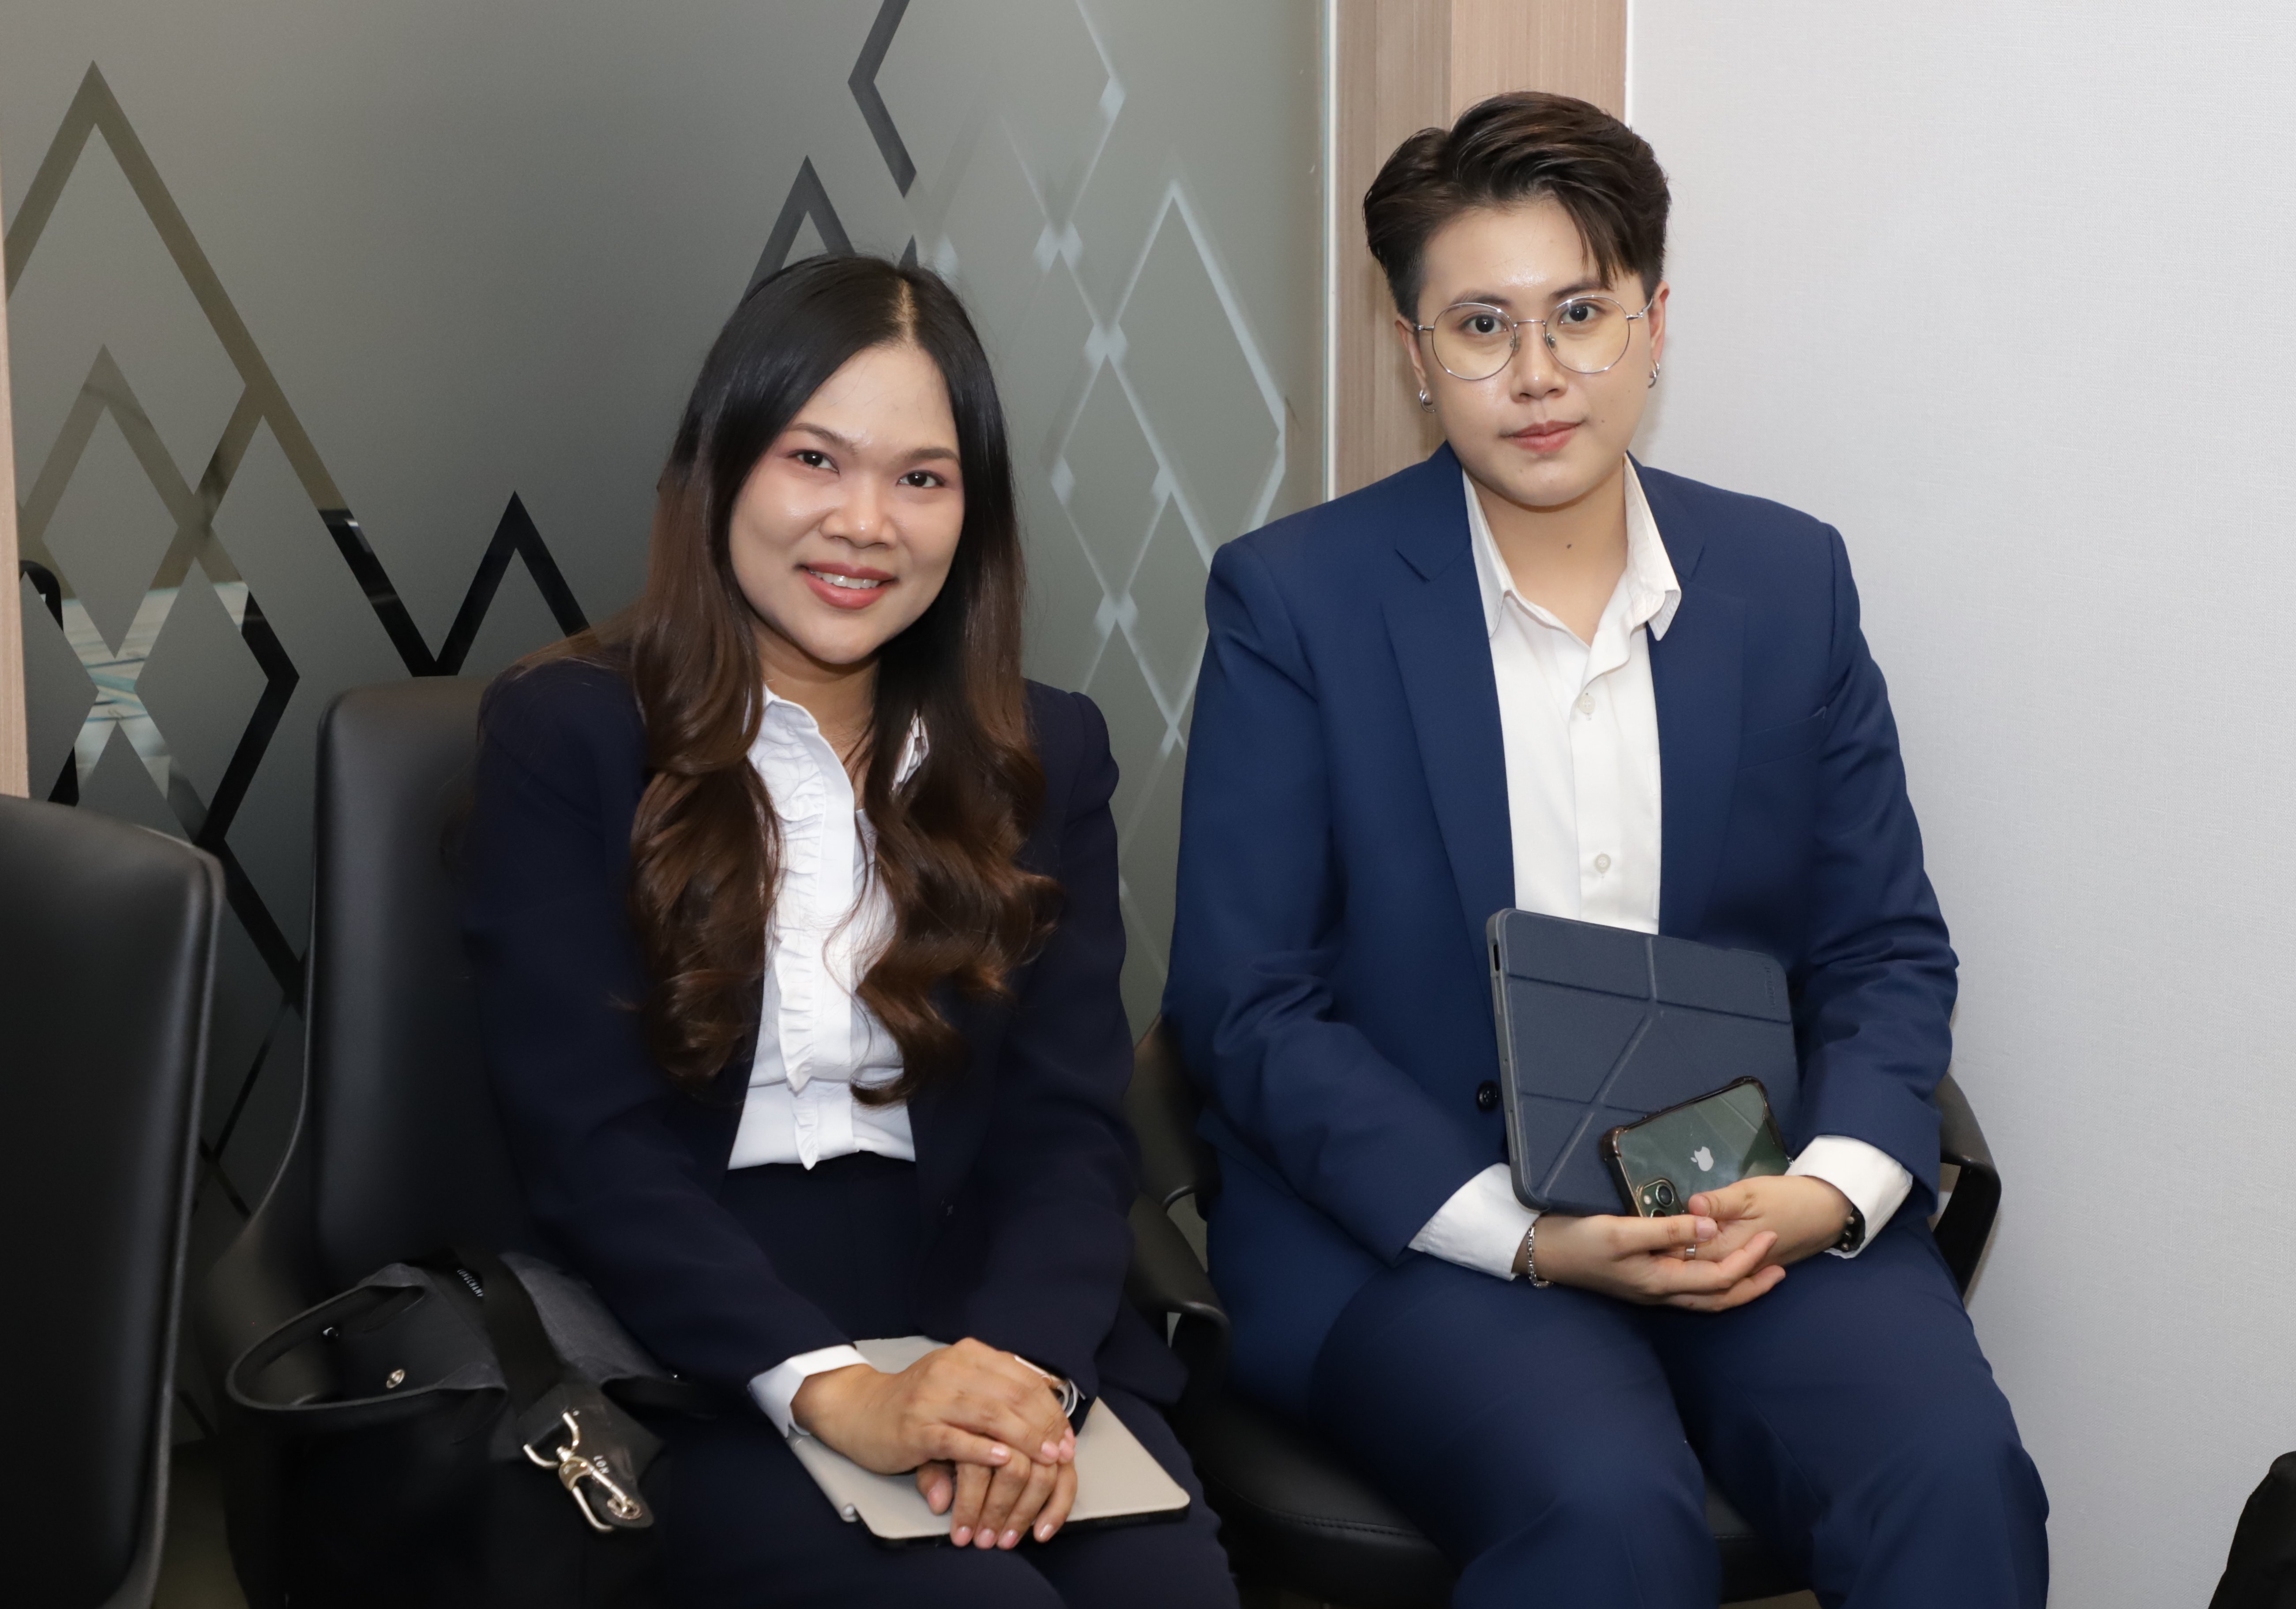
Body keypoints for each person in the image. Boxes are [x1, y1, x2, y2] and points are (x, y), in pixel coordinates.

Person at [1163, 92, 2048, 1608]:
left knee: (1951, 1474)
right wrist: (1528, 1241)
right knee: (1605, 1509)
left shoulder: (1788, 580)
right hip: (1424, 1233)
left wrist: (1828, 1188)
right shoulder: (1294, 601)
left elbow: (1884, 949)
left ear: (1654, 322)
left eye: (1581, 313)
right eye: (1480, 327)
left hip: (1746, 1200)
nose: (1538, 374)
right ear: (1414, 351)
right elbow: (1247, 1007)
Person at [463, 254, 1236, 1609]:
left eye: (922, 478)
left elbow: (1068, 1127)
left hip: (993, 1325)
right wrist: (835, 1389)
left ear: (972, 515)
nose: (865, 523)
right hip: (693, 1348)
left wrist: (1018, 1376)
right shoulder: (567, 736)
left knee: (1166, 1595)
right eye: (815, 460)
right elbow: (589, 1145)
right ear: (723, 469)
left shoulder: (1044, 750)